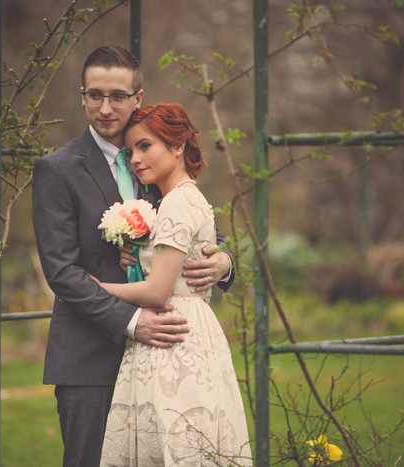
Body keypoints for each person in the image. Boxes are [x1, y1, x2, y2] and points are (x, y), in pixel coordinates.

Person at [32, 45, 234, 466]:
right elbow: (62, 273)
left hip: (162, 361)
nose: (106, 107)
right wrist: (132, 321)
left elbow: (202, 231)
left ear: (137, 98)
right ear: (82, 95)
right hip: (89, 357)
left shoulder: (154, 158)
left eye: (118, 96)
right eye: (95, 95)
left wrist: (225, 262)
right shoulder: (58, 168)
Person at [96, 104, 252, 466]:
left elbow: (156, 292)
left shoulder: (177, 202)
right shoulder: (189, 196)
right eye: (131, 150)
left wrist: (97, 286)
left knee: (174, 440)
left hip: (173, 338)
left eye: (145, 146)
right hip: (192, 330)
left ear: (178, 146)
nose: (135, 158)